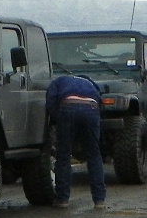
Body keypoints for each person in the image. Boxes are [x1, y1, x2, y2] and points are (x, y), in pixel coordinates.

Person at [45, 74, 106, 209]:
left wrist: (57, 120)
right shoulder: (90, 82)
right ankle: (99, 200)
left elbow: (50, 100)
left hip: (68, 107)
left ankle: (62, 199)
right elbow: (100, 101)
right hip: (91, 108)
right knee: (94, 155)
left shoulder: (59, 81)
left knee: (64, 155)